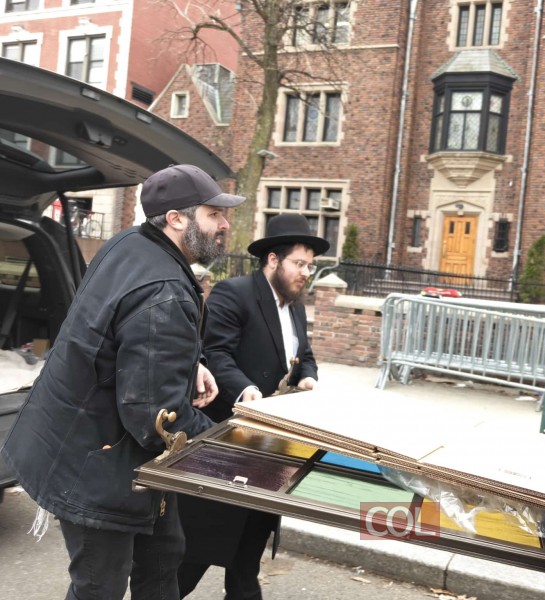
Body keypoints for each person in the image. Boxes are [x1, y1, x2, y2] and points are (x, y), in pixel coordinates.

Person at [0, 164, 244, 600]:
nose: (224, 224)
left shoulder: (131, 243)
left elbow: (129, 331)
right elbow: (156, 419)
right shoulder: (163, 290)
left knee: (163, 561)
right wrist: (233, 451)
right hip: (95, 464)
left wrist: (194, 362)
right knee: (99, 587)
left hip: (110, 451)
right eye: (214, 214)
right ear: (176, 219)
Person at [177, 213, 328, 600]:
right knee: (195, 555)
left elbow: (304, 355)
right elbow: (216, 353)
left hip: (272, 450)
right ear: (273, 260)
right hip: (228, 446)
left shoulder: (295, 306)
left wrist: (308, 378)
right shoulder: (234, 293)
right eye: (299, 263)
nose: (306, 273)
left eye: (310, 266)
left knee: (247, 559)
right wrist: (245, 389)